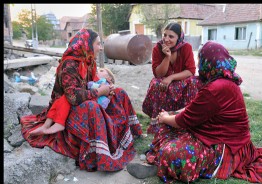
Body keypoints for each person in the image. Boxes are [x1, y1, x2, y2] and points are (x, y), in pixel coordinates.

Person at [127, 41, 262, 183]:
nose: (199, 63)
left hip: (226, 146)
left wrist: (165, 117)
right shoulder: (223, 80)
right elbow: (196, 108)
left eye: (201, 59)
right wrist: (171, 115)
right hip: (215, 134)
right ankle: (161, 161)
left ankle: (162, 164)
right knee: (165, 128)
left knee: (173, 149)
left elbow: (184, 120)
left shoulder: (216, 88)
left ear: (208, 61)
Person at [21, 28, 143, 172]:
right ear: (87, 44)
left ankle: (124, 135)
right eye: (98, 44)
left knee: (119, 92)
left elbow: (93, 83)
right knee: (92, 107)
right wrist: (98, 92)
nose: (101, 47)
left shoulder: (89, 61)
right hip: (66, 110)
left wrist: (107, 88)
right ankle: (96, 152)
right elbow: (72, 97)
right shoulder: (69, 64)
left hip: (87, 98)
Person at [142, 22, 202, 135]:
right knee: (156, 83)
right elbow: (158, 74)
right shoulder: (157, 49)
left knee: (194, 81)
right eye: (165, 35)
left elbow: (190, 71)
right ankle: (159, 120)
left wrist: (171, 77)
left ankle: (186, 118)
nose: (166, 39)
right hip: (163, 81)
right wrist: (167, 57)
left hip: (180, 80)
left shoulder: (186, 48)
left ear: (179, 38)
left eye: (171, 36)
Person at [29, 67, 116, 136]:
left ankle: (58, 123)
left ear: (109, 78)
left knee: (65, 99)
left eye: (102, 71)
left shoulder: (105, 83)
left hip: (91, 101)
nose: (98, 71)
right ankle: (46, 126)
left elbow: (93, 86)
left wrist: (99, 88)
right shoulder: (95, 77)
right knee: (60, 100)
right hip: (87, 96)